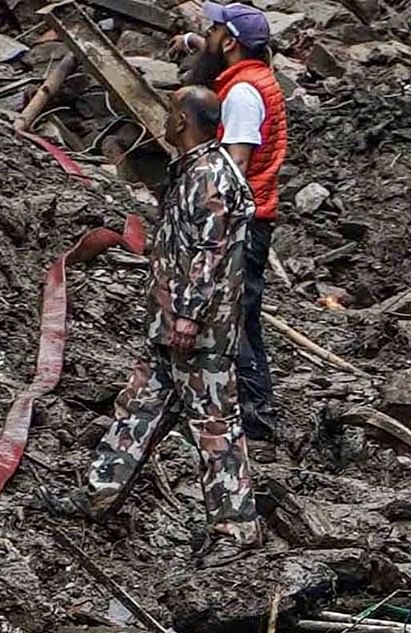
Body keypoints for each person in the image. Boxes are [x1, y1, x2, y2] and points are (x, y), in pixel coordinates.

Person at [78, 88, 255, 541]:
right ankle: (98, 492)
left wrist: (189, 315)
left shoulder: (211, 176)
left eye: (172, 111)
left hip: (200, 333)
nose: (166, 119)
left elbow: (209, 252)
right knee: (138, 409)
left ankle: (235, 529)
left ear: (183, 120)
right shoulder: (195, 171)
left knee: (216, 427)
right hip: (171, 327)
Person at [196, 2, 289, 449]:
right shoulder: (258, 79)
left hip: (242, 222)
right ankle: (256, 409)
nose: (206, 35)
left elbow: (235, 165)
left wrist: (211, 221)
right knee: (245, 316)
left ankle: (254, 414)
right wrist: (194, 45)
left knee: (234, 316)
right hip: (259, 214)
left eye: (212, 30)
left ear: (230, 41)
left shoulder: (241, 95)